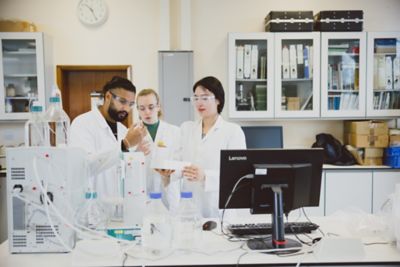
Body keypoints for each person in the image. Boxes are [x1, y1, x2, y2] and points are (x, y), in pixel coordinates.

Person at [175, 76, 246, 218]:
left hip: (219, 209)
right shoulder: (186, 128)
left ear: (218, 100)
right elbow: (178, 162)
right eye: (196, 98)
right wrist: (169, 170)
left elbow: (238, 174)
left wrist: (205, 176)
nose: (199, 102)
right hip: (190, 207)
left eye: (205, 97)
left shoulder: (232, 131)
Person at [69, 76, 149, 201]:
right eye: (122, 101)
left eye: (131, 104)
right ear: (108, 97)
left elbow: (122, 172)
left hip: (115, 207)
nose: (126, 109)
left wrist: (135, 155)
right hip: (90, 208)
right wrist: (125, 145)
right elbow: (85, 167)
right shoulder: (82, 123)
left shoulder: (123, 130)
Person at [136, 88, 180, 211]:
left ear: (158, 107)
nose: (147, 112)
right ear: (138, 110)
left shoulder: (174, 132)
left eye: (151, 107)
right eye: (142, 108)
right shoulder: (132, 134)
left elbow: (180, 162)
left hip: (168, 192)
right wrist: (135, 154)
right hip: (142, 195)